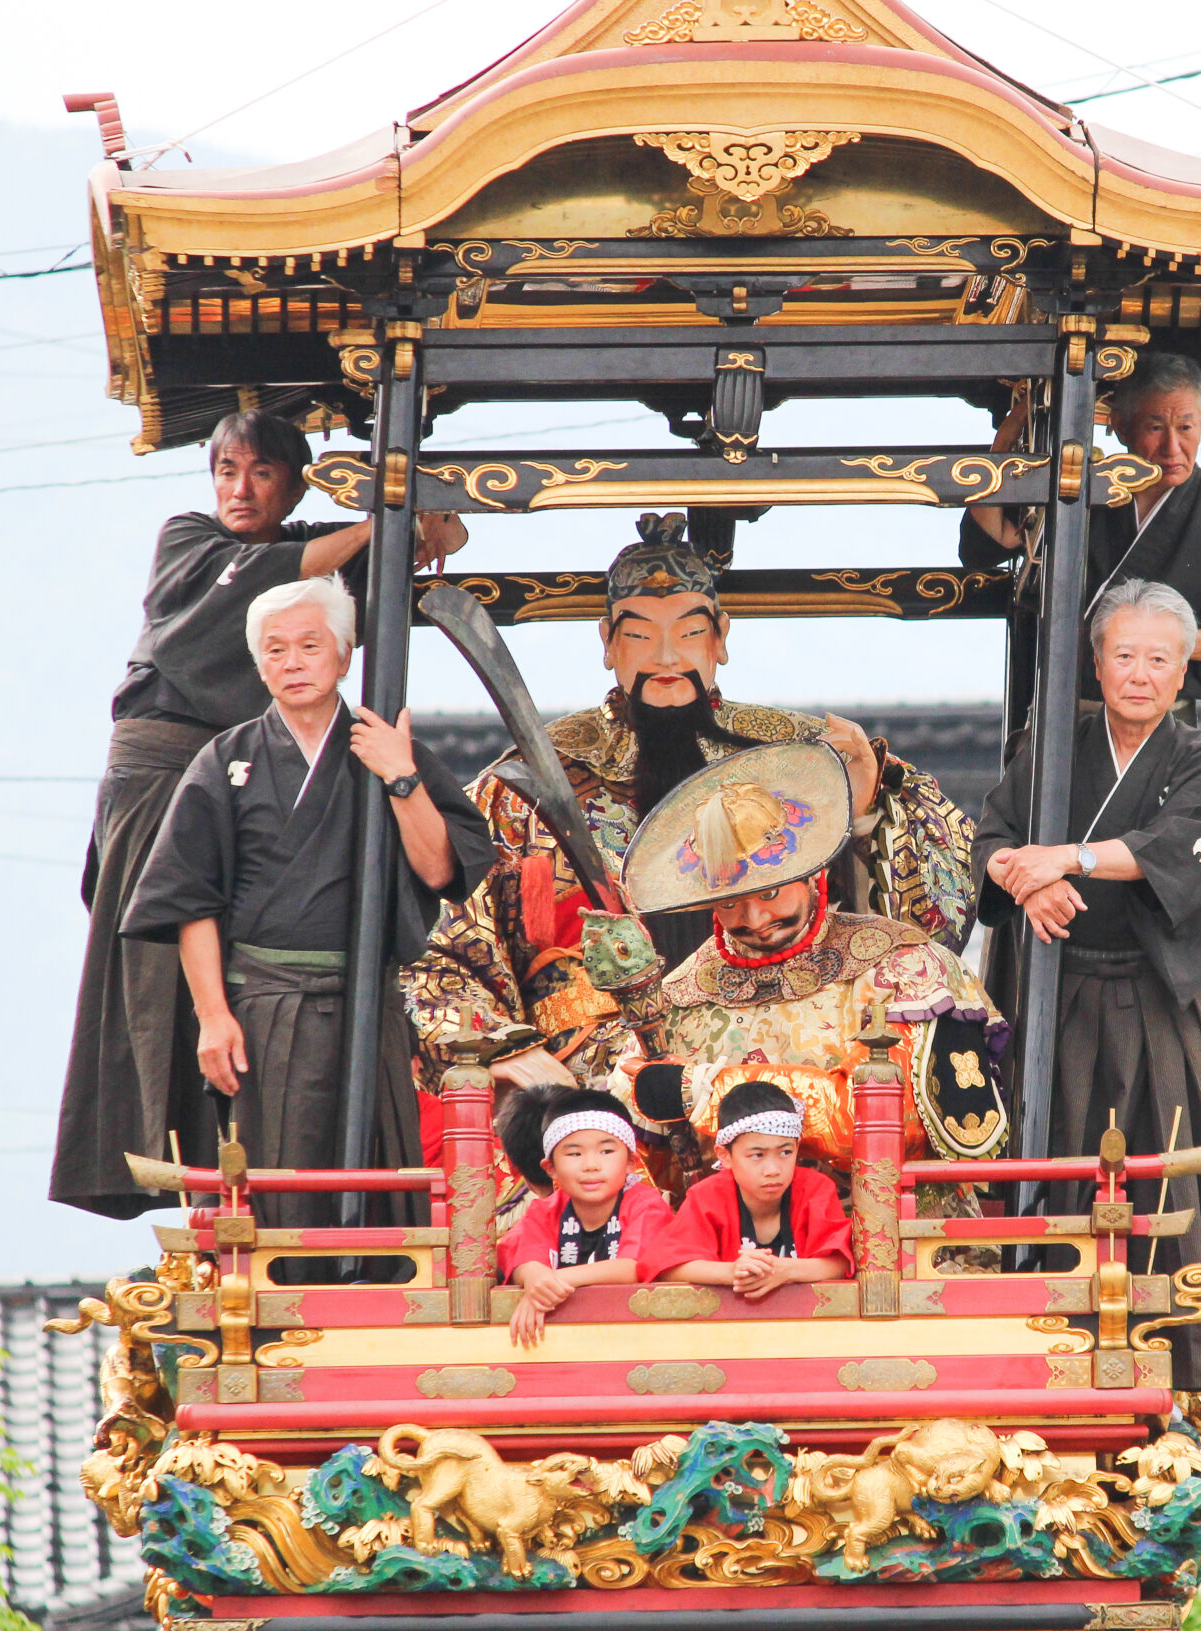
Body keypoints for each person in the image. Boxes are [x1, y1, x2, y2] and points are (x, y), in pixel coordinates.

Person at [405, 510, 976, 1117]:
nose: (667, 656)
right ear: (607, 642)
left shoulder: (794, 759)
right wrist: (502, 1048)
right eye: (640, 635)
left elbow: (938, 917)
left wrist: (863, 817)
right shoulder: (524, 787)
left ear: (721, 636)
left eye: (689, 631)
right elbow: (435, 944)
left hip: (790, 1059)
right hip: (586, 1092)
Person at [53, 408, 466, 1217]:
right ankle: (164, 1156)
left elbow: (441, 539)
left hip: (249, 778)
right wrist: (378, 518)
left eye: (262, 474)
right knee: (157, 962)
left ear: (296, 482)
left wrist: (411, 504)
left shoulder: (315, 556)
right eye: (226, 472)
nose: (239, 491)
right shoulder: (190, 541)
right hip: (162, 761)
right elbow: (294, 567)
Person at [972, 578, 1201, 1398]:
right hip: (1054, 992)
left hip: (1154, 1000)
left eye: (1159, 659)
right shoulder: (1056, 740)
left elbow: (1177, 849)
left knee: (1164, 1167)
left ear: (1182, 675)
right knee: (1048, 1159)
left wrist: (1065, 857)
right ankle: (1040, 1345)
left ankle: (1184, 1367)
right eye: (1124, 655)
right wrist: (1026, 879)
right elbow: (995, 838)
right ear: (1097, 664)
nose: (1140, 673)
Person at [119, 576, 495, 1225]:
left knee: (376, 1183)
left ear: (344, 654)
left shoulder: (389, 751)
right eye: (275, 649)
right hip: (261, 1010)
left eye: (309, 645)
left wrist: (400, 778)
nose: (292, 662)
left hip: (365, 1007)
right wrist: (213, 1016)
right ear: (258, 663)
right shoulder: (225, 761)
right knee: (269, 1185)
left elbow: (439, 869)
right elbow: (189, 900)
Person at [585, 744, 1008, 1211]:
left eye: (769, 891)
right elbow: (630, 1159)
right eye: (728, 902)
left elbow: (896, 1128)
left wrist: (703, 1091)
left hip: (893, 1241)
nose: (754, 917)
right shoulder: (676, 998)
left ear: (813, 871)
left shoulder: (903, 968)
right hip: (729, 1254)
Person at [960, 353, 1201, 782]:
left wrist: (1151, 650)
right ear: (1121, 426)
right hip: (1066, 717)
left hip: (1163, 727)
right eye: (1156, 427)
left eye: (1187, 427)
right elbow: (991, 543)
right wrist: (1006, 441)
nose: (1173, 447)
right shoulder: (1083, 489)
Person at [494, 1086, 673, 1347]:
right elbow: (527, 1260)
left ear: (631, 1162)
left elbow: (632, 1267)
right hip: (565, 1339)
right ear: (550, 1167)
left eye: (607, 1152)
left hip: (638, 1336)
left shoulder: (646, 1204)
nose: (591, 1165)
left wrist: (555, 1281)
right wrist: (535, 1281)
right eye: (575, 1154)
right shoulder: (543, 1211)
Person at [639, 1082, 853, 1298]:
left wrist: (785, 1271)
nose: (773, 1170)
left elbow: (841, 1262)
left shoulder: (815, 1189)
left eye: (785, 1152)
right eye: (757, 1155)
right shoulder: (707, 1195)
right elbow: (666, 1267)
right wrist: (732, 1272)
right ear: (725, 1155)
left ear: (797, 1148)